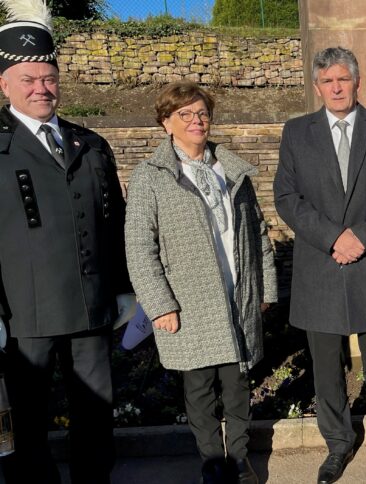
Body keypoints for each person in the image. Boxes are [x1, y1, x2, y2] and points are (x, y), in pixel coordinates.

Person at [0, 3, 134, 483]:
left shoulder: (91, 143)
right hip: (23, 315)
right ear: (5, 85)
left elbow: (113, 223)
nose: (42, 88)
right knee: (29, 420)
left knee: (96, 416)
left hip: (89, 308)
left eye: (49, 78)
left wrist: (122, 288)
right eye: (29, 79)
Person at [274, 46, 366, 484]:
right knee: (326, 368)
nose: (336, 87)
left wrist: (361, 236)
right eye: (328, 81)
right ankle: (337, 445)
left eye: (343, 79)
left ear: (358, 81)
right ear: (317, 87)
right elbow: (287, 197)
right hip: (322, 267)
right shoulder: (297, 132)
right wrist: (334, 236)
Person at [125, 81, 276, 484]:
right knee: (200, 388)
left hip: (237, 291)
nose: (197, 121)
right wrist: (160, 304)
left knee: (238, 383)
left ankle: (239, 459)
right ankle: (213, 463)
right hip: (188, 300)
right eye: (185, 115)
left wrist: (264, 289)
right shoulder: (151, 176)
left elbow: (257, 233)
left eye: (202, 113)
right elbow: (140, 245)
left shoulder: (232, 170)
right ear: (166, 123)